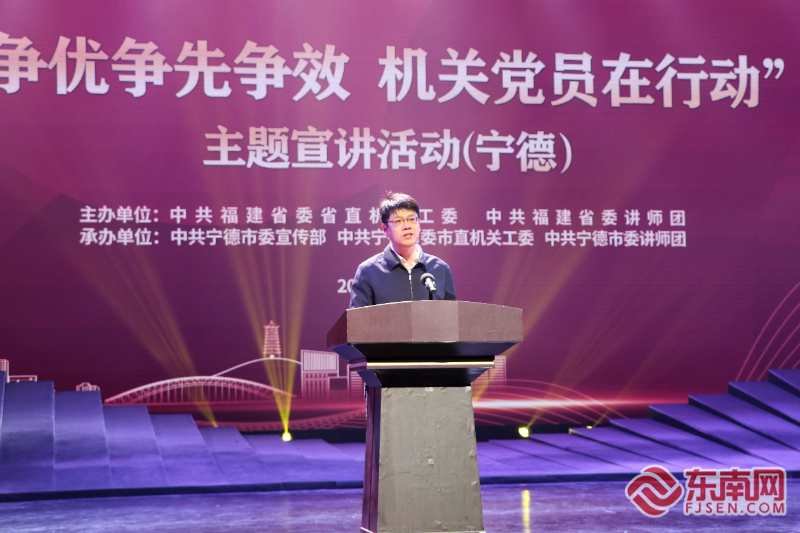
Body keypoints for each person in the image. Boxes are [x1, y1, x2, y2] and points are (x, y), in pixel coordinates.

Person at [349, 192, 456, 308]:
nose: (407, 226)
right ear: (385, 229)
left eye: (412, 219)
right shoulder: (369, 271)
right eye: (398, 221)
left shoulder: (440, 268)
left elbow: (452, 316)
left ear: (419, 224)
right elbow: (358, 318)